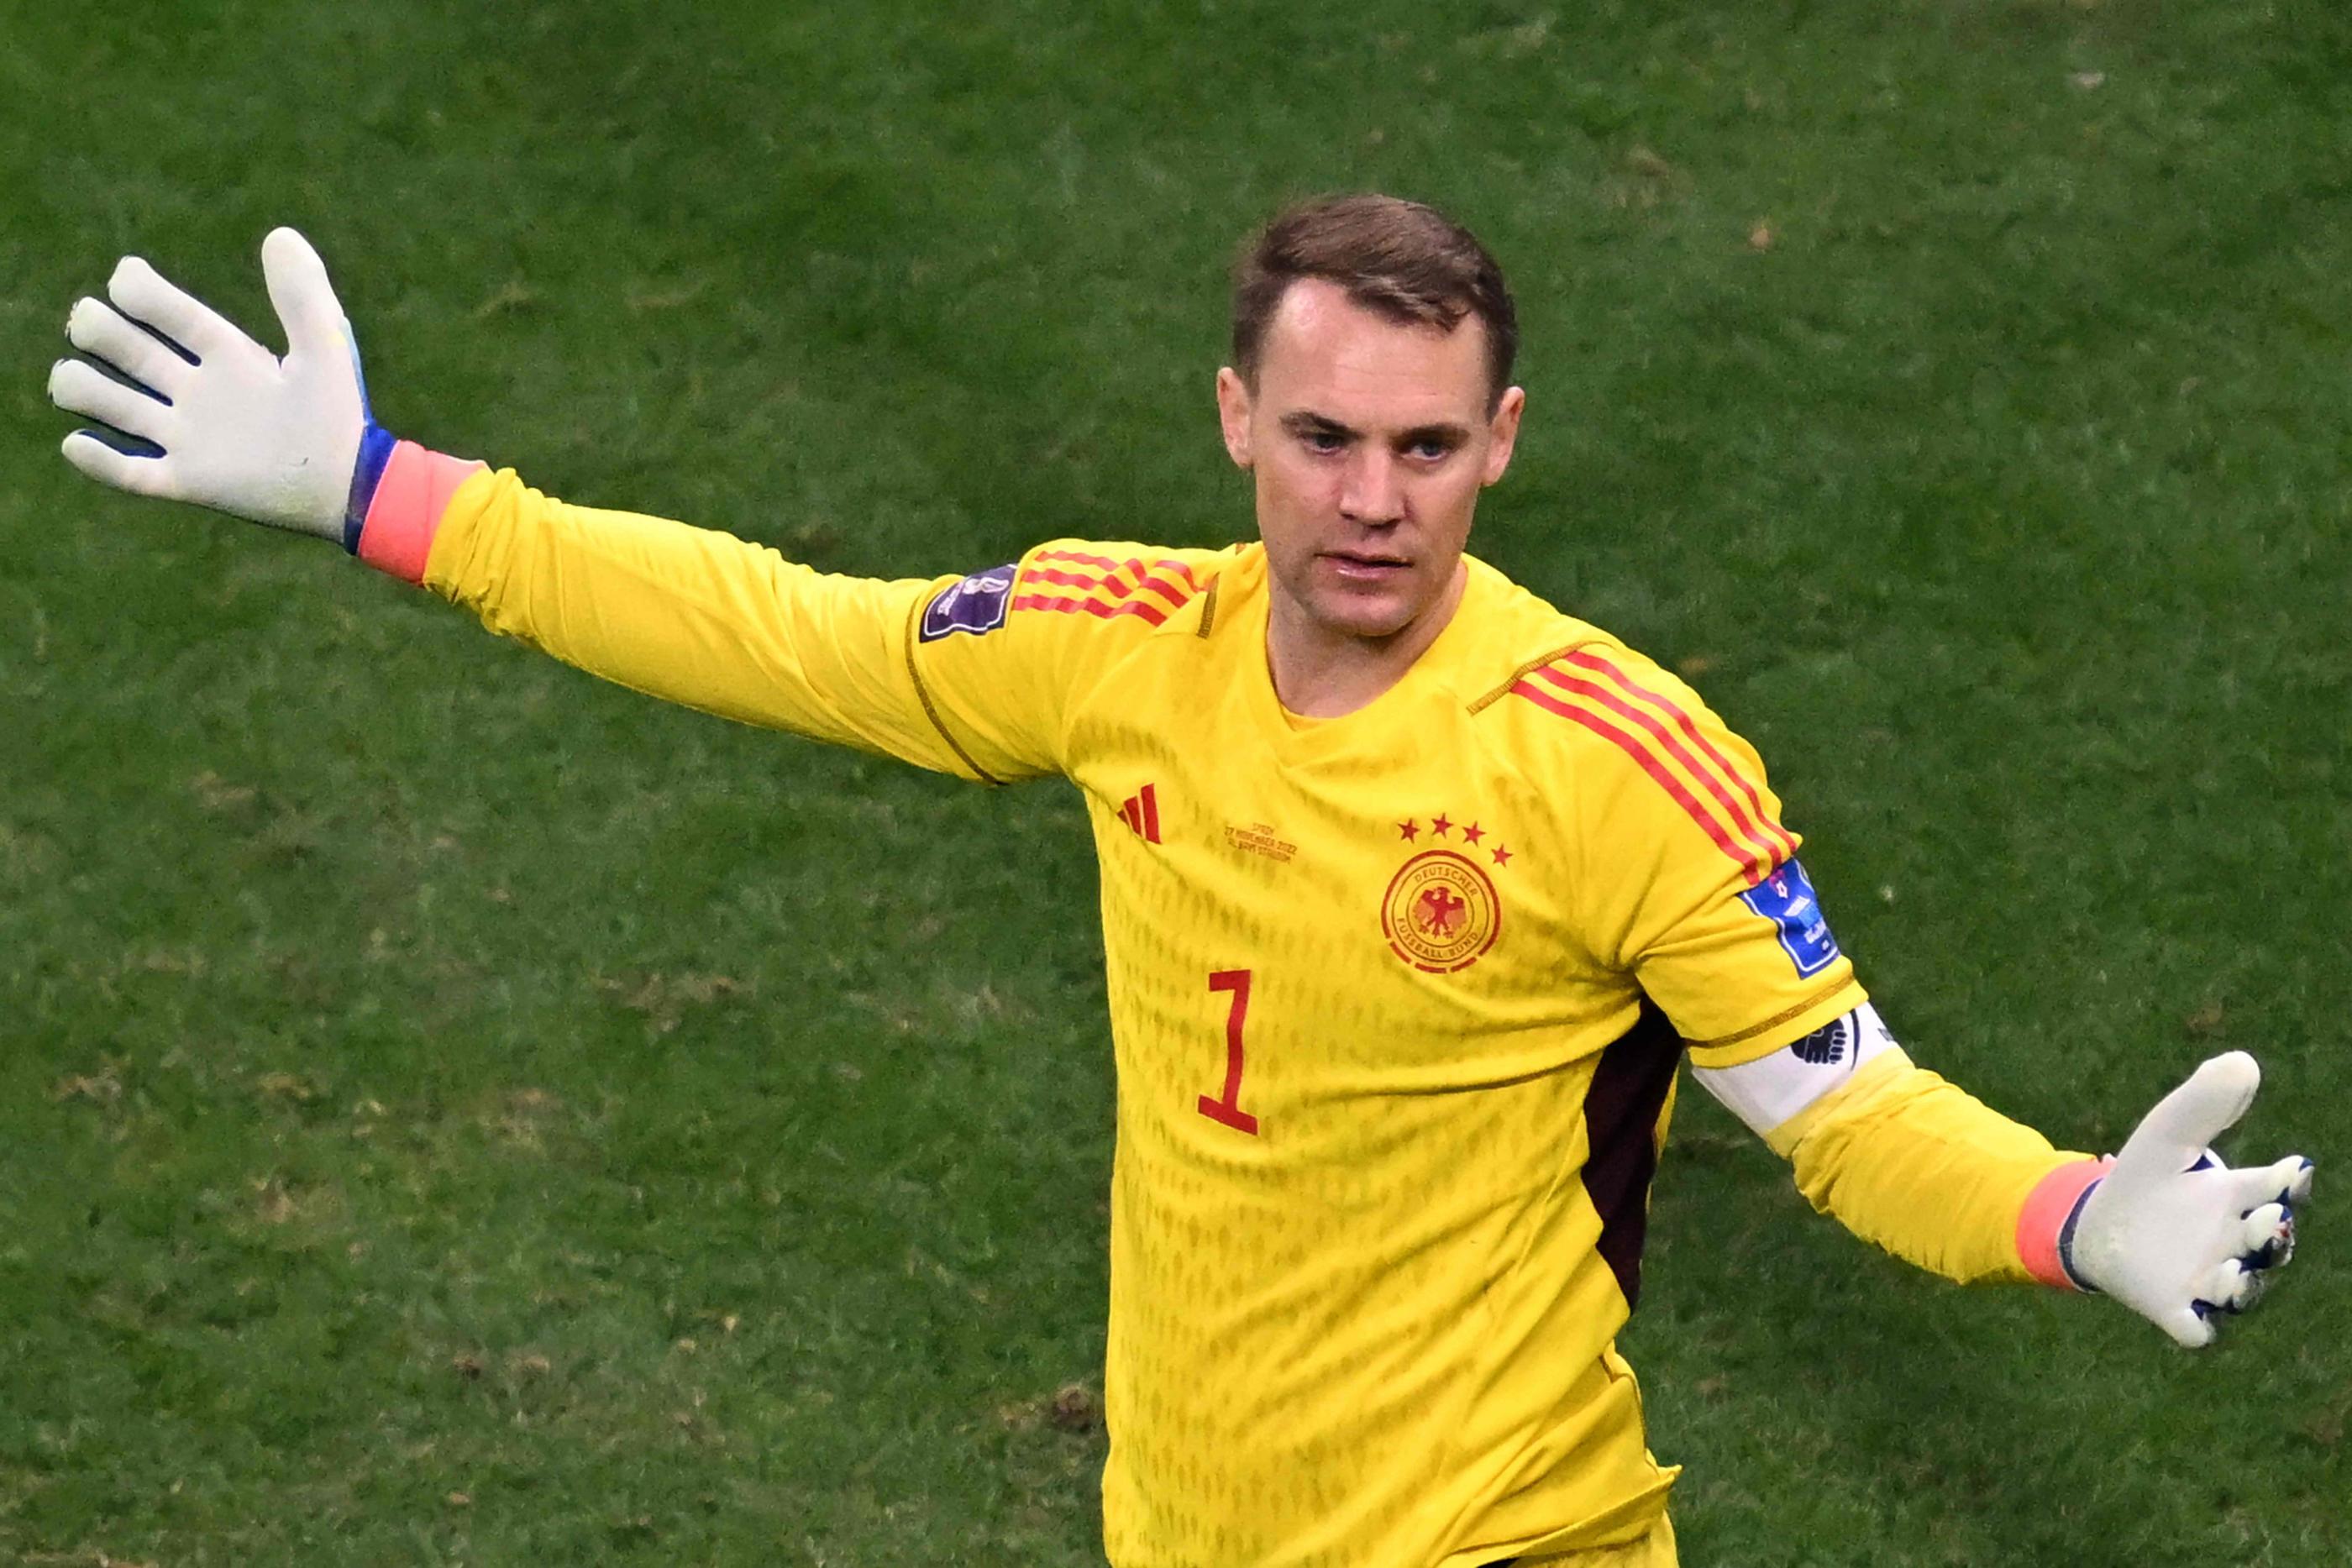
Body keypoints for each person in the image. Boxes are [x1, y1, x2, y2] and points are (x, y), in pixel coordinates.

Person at [47, 195, 2313, 1568]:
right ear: (1237, 417)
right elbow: (774, 625)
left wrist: (2061, 1207)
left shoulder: (1610, 757)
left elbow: (1834, 1104)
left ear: (1503, 444)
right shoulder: (1120, 650)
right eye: (1325, 436)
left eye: (1431, 446)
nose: (1375, 497)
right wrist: (375, 485)